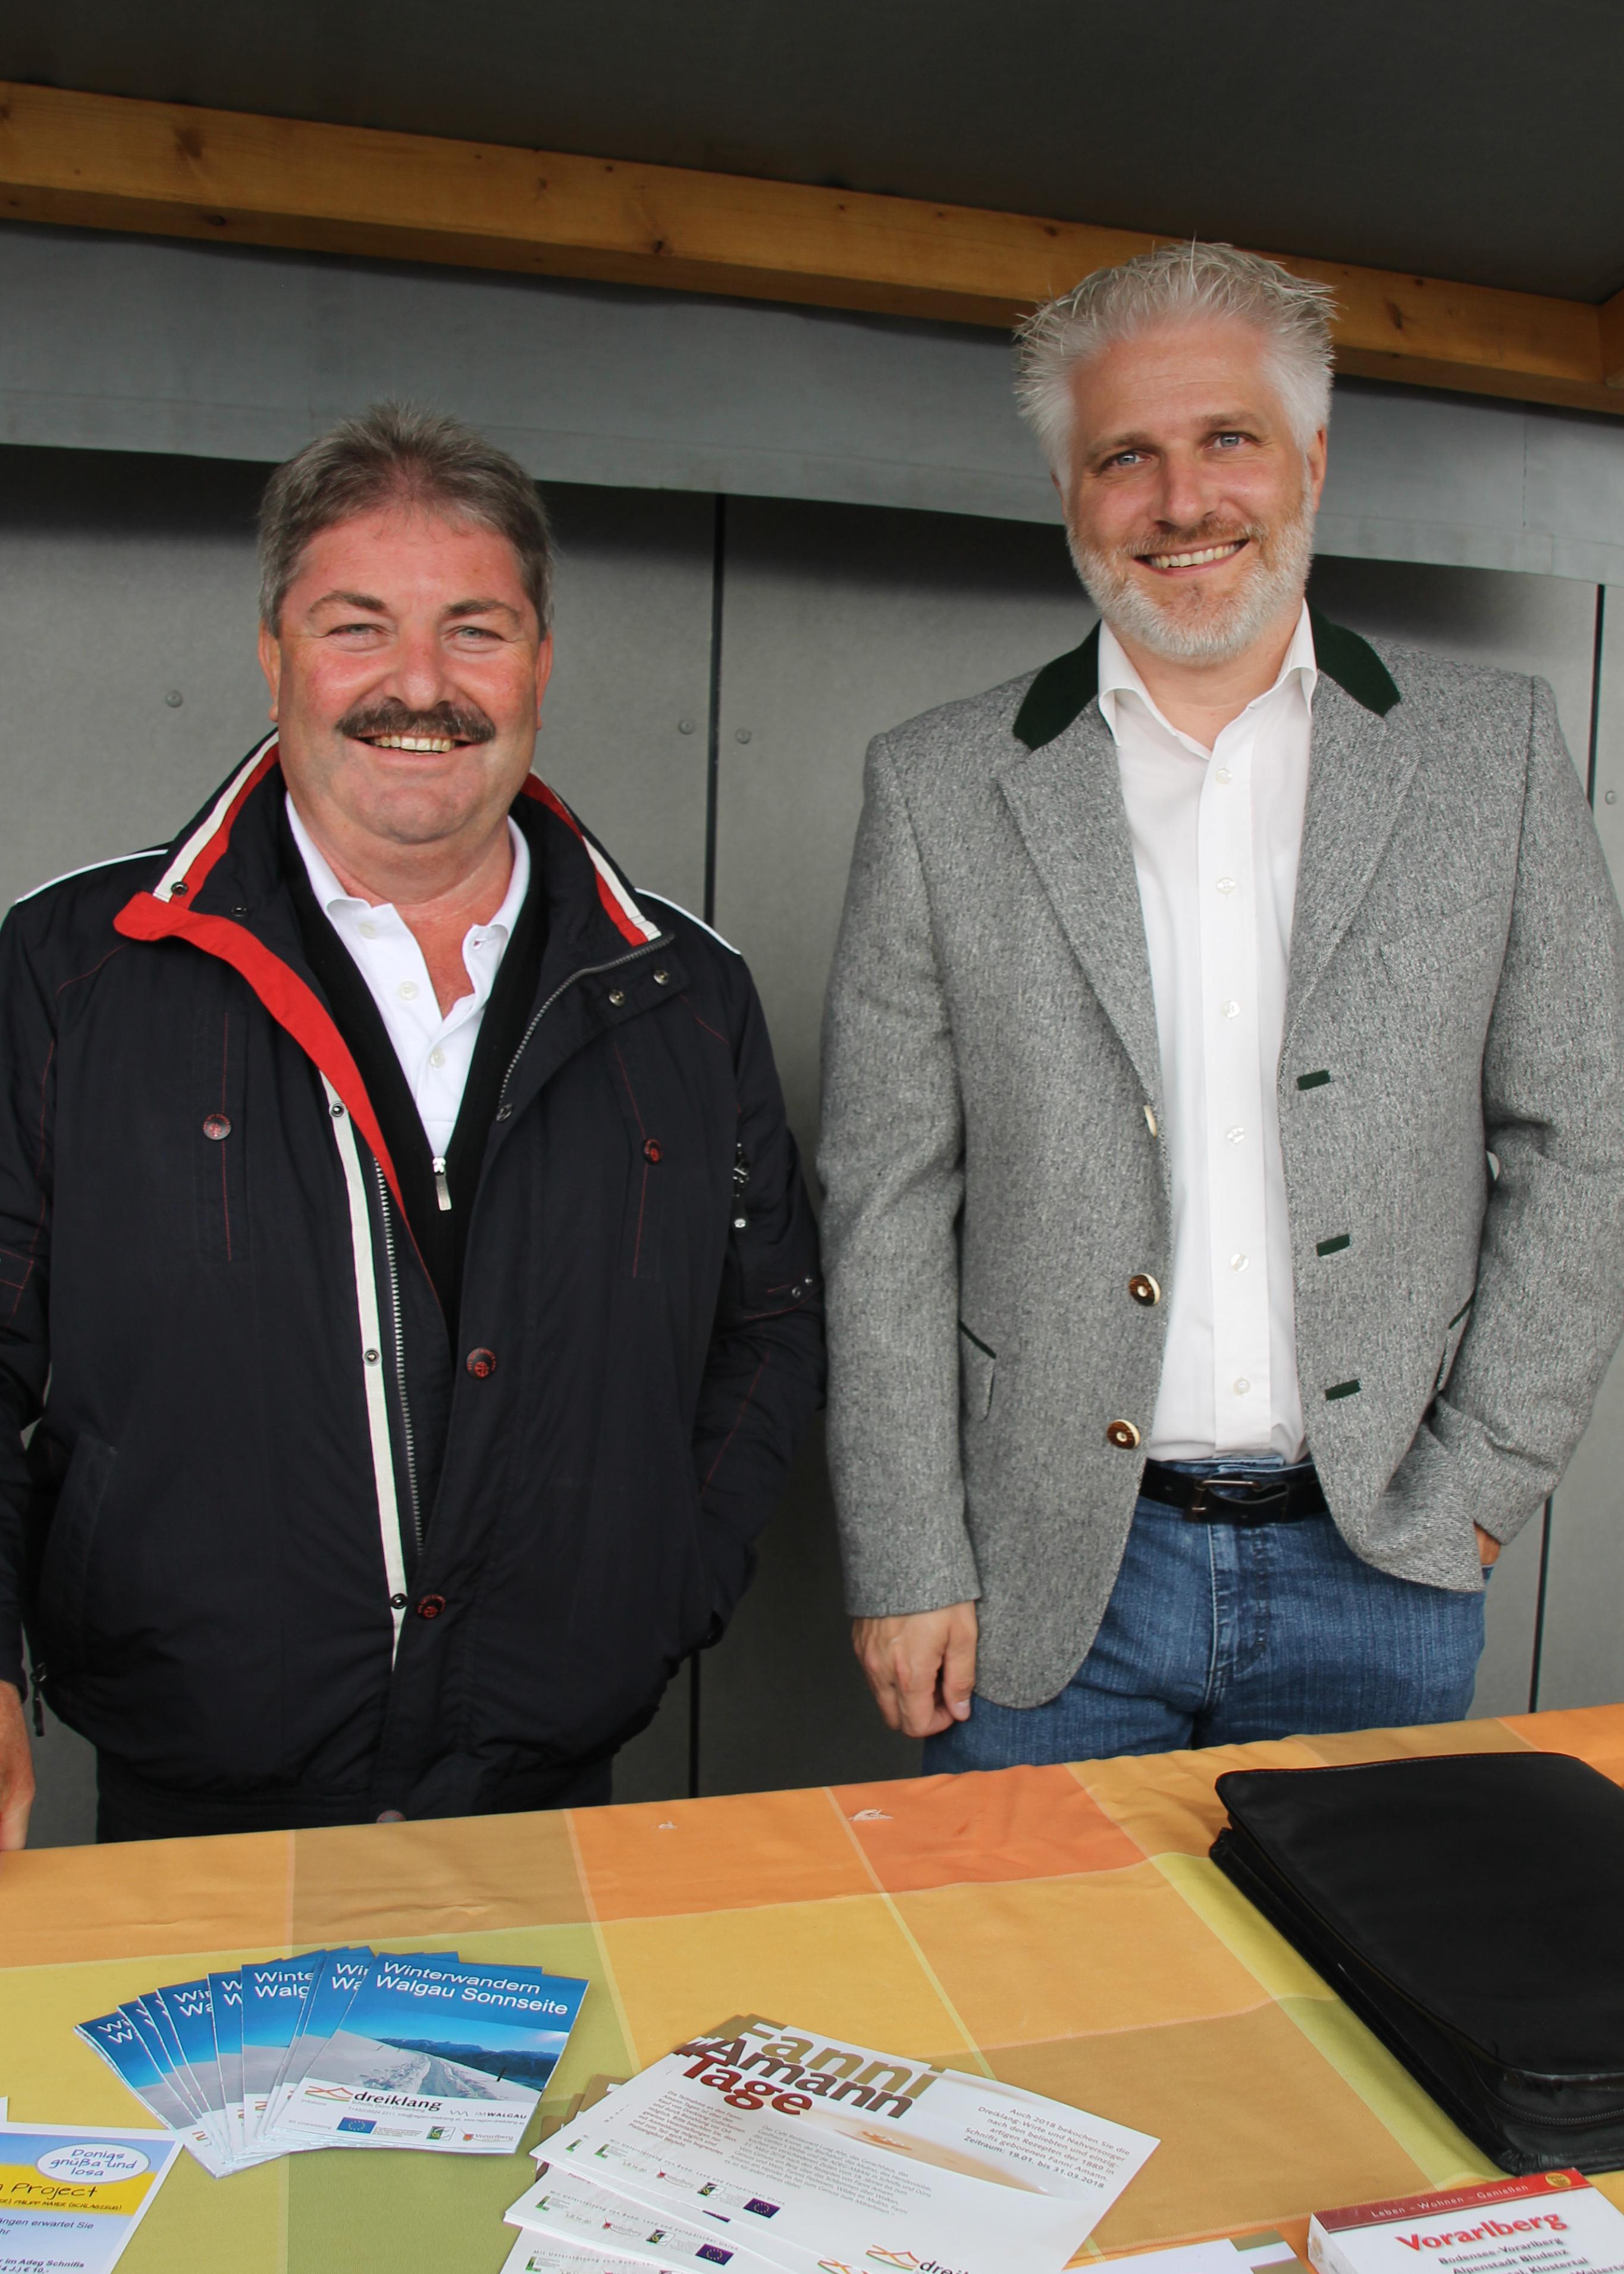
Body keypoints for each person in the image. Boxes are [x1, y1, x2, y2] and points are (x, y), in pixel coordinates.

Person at [820, 242, 1624, 1766]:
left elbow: (1587, 1140)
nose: (1182, 501)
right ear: (1071, 491)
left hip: (1382, 1565)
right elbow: (884, 1200)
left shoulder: (1494, 753)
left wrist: (1481, 1483)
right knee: (1028, 1935)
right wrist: (908, 1552)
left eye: (1227, 439)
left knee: (1350, 1935)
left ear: (1311, 459)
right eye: (1125, 454)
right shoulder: (937, 786)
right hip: (1043, 1578)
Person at [0, 402, 822, 1844]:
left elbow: (770, 1322)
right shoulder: (73, 972)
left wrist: (657, 1581)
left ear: (542, 661)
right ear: (275, 654)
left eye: (475, 630)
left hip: (552, 1785)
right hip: (196, 1793)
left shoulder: (687, 995)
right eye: (358, 627)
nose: (421, 684)